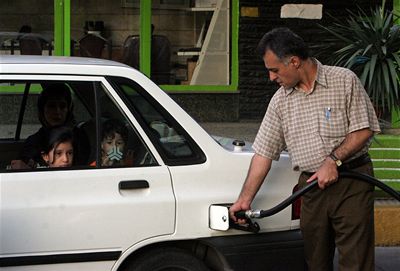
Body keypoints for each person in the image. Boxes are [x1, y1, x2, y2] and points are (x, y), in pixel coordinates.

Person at [229, 27, 380, 271]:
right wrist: (244, 200)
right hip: (310, 188)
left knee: (356, 261)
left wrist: (333, 161)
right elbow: (264, 153)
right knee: (315, 261)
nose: (271, 78)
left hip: (352, 182)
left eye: (274, 70)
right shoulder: (280, 101)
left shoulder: (343, 80)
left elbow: (365, 129)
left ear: (295, 61)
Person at [11, 83, 74, 169]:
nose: (57, 111)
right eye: (51, 106)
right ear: (42, 110)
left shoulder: (78, 137)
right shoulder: (33, 141)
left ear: (68, 110)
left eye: (62, 106)